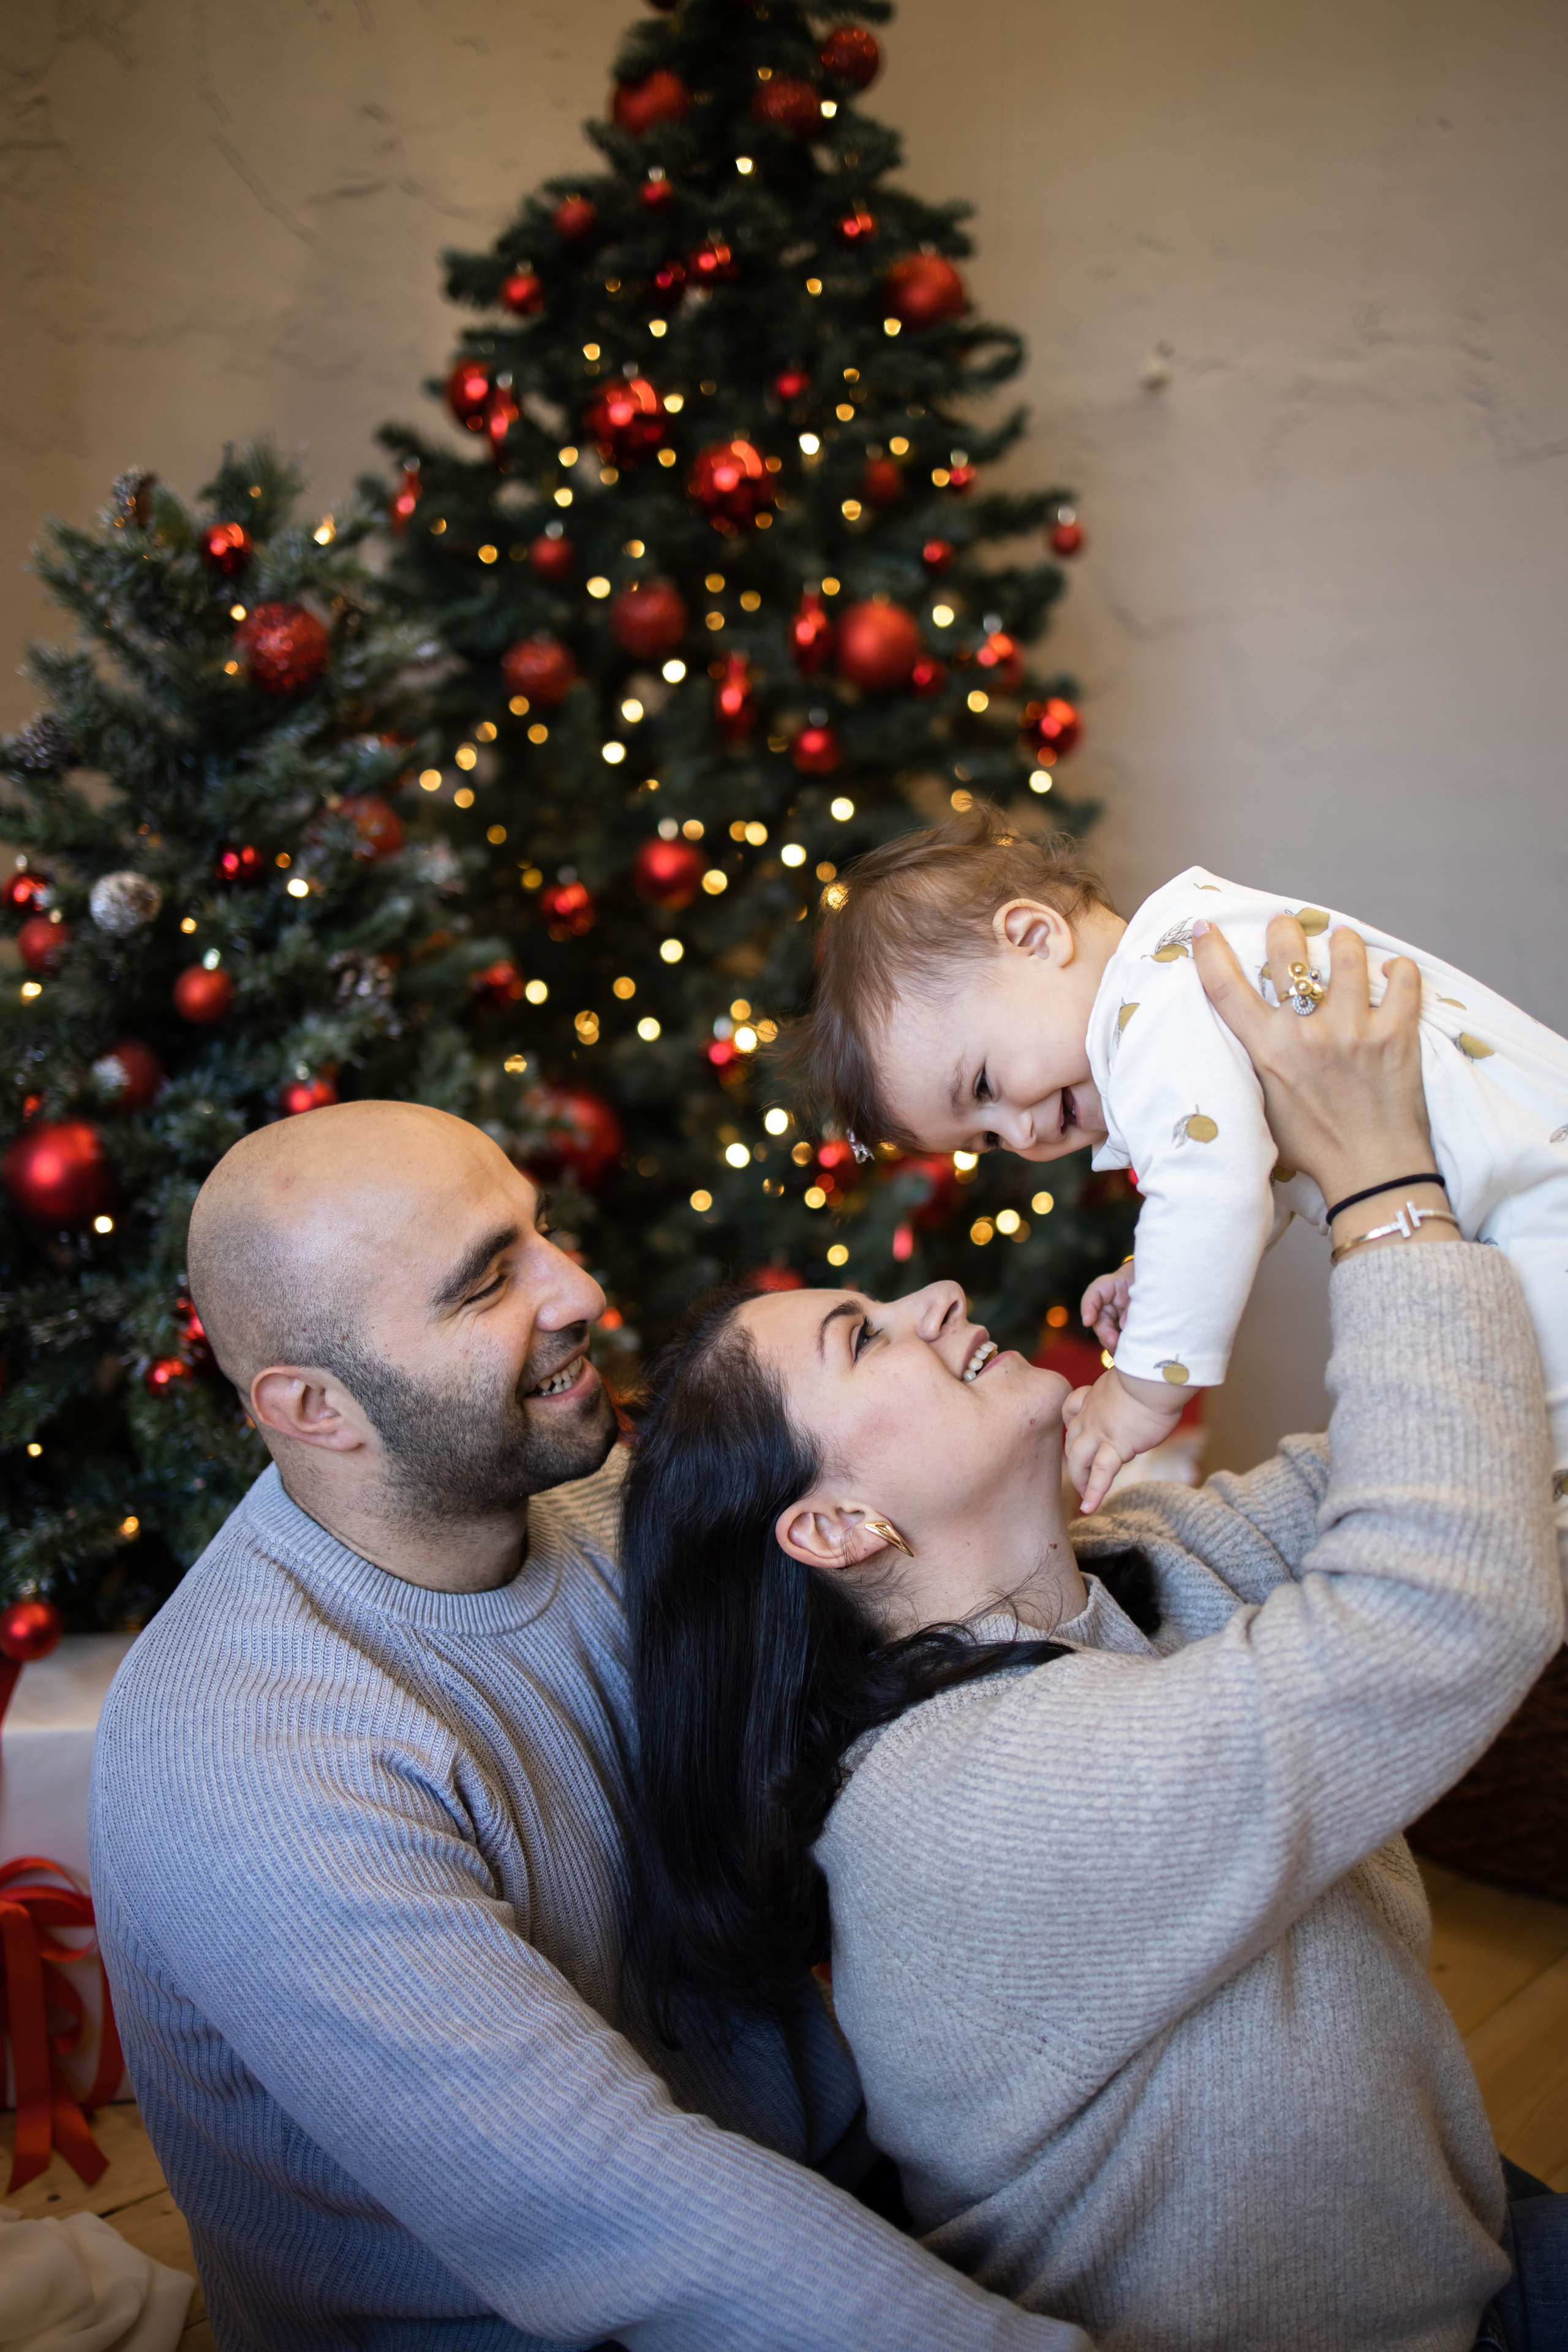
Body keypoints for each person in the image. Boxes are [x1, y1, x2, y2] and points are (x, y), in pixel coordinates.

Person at [624, 914, 1566, 2352]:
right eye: (863, 1338)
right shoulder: (966, 1798)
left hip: (1449, 2231)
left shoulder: (1124, 1570)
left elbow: (1459, 1451)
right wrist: (1382, 1189)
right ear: (832, 1529)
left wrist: (1365, 1170)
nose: (934, 1293)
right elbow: (1437, 1611)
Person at [88, 1101, 1095, 2352]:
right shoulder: (244, 1756)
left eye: (540, 1229)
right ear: (315, 1408)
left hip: (837, 2199)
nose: (580, 1288)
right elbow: (609, 2201)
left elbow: (932, 1596)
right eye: (483, 1284)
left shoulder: (601, 1495)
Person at [789, 804, 1568, 1524]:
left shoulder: (1153, 999)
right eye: (986, 1139)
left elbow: (1213, 1195)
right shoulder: (1172, 969)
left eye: (985, 1086)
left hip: (1538, 1207)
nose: (1018, 1133)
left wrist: (1137, 1392)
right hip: (1521, 1180)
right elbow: (1240, 1171)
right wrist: (1153, 1276)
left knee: (1518, 1456)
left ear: (1033, 936)